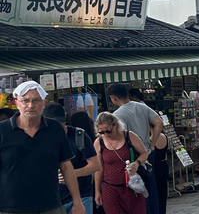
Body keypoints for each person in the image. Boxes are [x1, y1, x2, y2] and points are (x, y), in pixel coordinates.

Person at [0, 81, 85, 214]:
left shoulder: (55, 128)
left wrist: (77, 201)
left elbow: (66, 166)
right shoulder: (2, 130)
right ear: (16, 103)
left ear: (44, 103)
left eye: (36, 100)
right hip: (11, 208)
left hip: (51, 205)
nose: (30, 105)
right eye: (25, 100)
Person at [107, 84, 163, 214]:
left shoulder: (117, 115)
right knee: (151, 189)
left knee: (139, 192)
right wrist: (152, 143)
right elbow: (159, 122)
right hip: (148, 153)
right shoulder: (142, 106)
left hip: (133, 156)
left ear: (113, 98)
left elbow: (123, 137)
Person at [43, 103, 101, 214]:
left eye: (61, 124)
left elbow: (95, 165)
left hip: (82, 194)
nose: (59, 129)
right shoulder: (41, 139)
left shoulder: (78, 135)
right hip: (53, 199)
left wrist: (72, 173)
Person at [93, 111, 149, 214]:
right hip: (110, 189)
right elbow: (99, 168)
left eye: (108, 131)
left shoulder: (129, 136)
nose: (105, 135)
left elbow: (144, 153)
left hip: (132, 187)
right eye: (101, 132)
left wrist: (137, 163)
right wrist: (97, 191)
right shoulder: (99, 142)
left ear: (116, 126)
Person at [152, 131, 169, 214]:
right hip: (164, 165)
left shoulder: (151, 139)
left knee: (156, 193)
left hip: (156, 167)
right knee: (163, 193)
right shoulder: (164, 136)